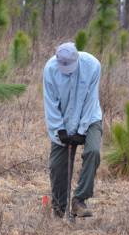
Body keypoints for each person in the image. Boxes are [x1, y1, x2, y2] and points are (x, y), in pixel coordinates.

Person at [43, 42, 102, 218]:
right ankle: (59, 209)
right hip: (63, 121)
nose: (66, 69)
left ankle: (79, 200)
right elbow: (50, 103)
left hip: (90, 117)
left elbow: (91, 100)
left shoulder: (92, 65)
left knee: (93, 152)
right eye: (63, 65)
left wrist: (81, 131)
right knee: (57, 166)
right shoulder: (50, 69)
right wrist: (59, 130)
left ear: (77, 58)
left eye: (70, 65)